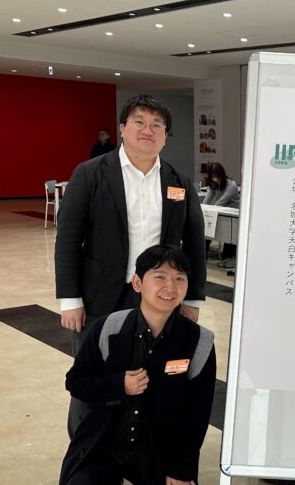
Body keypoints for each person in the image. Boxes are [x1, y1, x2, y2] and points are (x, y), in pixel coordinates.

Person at [55, 94, 207, 438]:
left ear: (165, 136)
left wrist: (193, 298)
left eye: (157, 125)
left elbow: (194, 244)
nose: (147, 130)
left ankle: (139, 453)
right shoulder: (90, 174)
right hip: (99, 297)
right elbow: (68, 240)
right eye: (139, 122)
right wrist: (70, 299)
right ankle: (86, 453)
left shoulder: (178, 182)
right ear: (122, 128)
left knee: (151, 376)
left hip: (158, 299)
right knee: (94, 377)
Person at [43, 244, 217, 485]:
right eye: (159, 277)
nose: (170, 287)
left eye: (179, 279)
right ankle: (109, 482)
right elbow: (76, 381)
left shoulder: (198, 341)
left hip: (160, 449)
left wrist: (181, 468)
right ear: (137, 283)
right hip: (108, 444)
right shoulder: (109, 328)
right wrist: (117, 385)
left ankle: (147, 481)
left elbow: (197, 414)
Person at [201, 162, 240, 267]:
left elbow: (220, 202)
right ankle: (202, 257)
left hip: (233, 215)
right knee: (207, 232)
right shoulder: (213, 185)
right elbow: (206, 200)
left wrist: (209, 210)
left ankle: (229, 258)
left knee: (230, 239)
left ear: (221, 174)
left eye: (216, 175)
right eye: (212, 175)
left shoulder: (231, 185)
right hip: (221, 211)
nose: (214, 178)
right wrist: (201, 209)